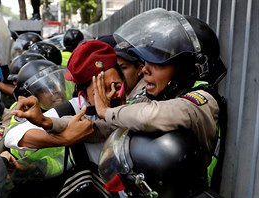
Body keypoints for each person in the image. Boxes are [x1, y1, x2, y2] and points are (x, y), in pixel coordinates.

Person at [91, 8, 227, 197]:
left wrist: (106, 111)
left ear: (184, 68)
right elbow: (113, 125)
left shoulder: (201, 101)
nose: (144, 69)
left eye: (159, 62)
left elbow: (149, 116)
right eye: (146, 61)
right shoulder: (164, 94)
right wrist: (53, 125)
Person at [5, 40, 125, 197]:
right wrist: (64, 138)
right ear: (84, 90)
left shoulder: (133, 104)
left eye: (116, 86)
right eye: (100, 89)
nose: (112, 94)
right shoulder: (74, 109)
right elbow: (12, 136)